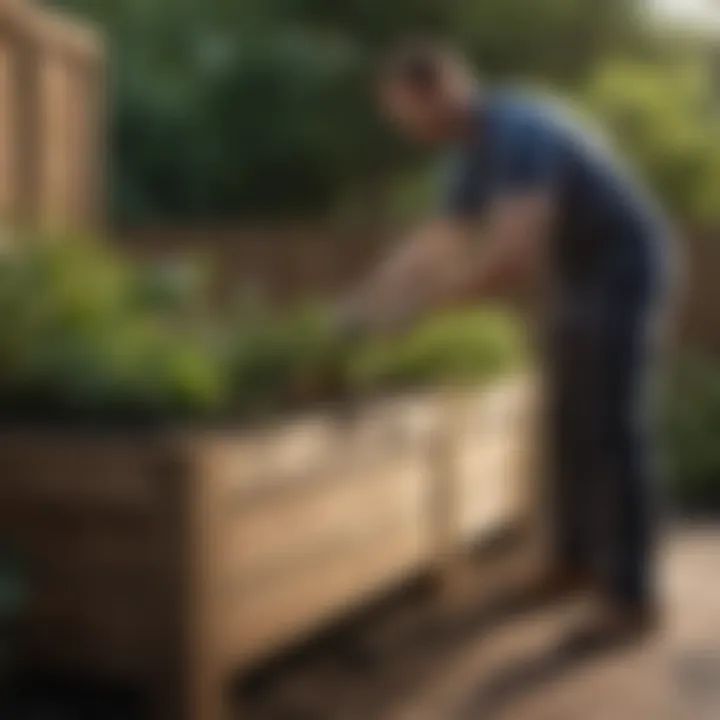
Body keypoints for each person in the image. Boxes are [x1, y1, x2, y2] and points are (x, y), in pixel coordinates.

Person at [337, 39, 677, 643]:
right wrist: (362, 302)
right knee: (568, 419)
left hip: (624, 266)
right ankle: (574, 563)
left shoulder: (520, 130)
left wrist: (419, 310)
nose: (401, 126)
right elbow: (434, 242)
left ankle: (631, 598)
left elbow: (515, 255)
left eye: (403, 112)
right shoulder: (472, 152)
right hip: (580, 273)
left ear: (437, 91)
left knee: (608, 427)